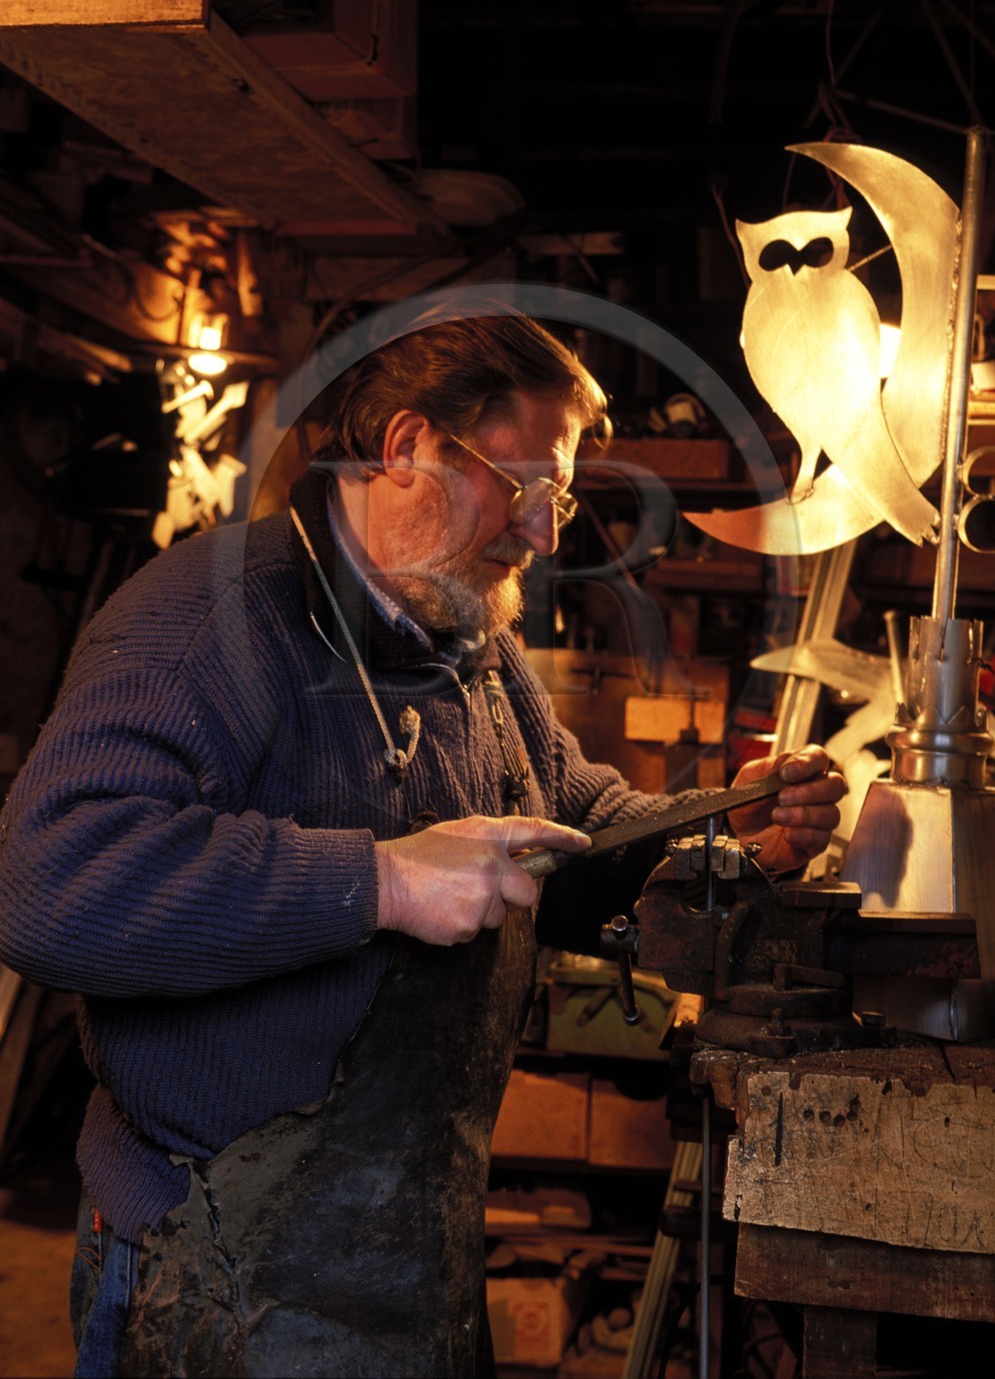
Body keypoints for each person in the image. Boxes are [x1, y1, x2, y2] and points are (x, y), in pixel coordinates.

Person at [0, 301, 844, 1378]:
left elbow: (568, 824)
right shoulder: (213, 617)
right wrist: (382, 880)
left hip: (410, 1256)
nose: (545, 531)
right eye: (530, 487)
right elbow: (49, 885)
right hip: (216, 1267)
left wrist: (727, 826)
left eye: (563, 498)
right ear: (407, 447)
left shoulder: (463, 640)